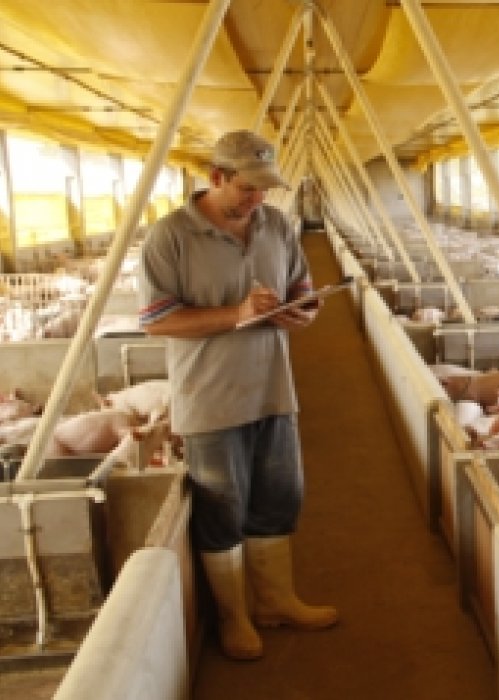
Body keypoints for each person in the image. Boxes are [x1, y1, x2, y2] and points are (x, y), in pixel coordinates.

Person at [137, 129, 338, 660]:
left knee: (280, 496)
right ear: (216, 177)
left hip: (273, 388)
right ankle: (234, 617)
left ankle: (275, 601)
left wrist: (304, 310)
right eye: (248, 188)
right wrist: (238, 315)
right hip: (210, 396)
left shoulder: (275, 225)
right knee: (222, 505)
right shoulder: (170, 237)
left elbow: (301, 286)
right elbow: (156, 320)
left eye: (265, 188)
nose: (258, 199)